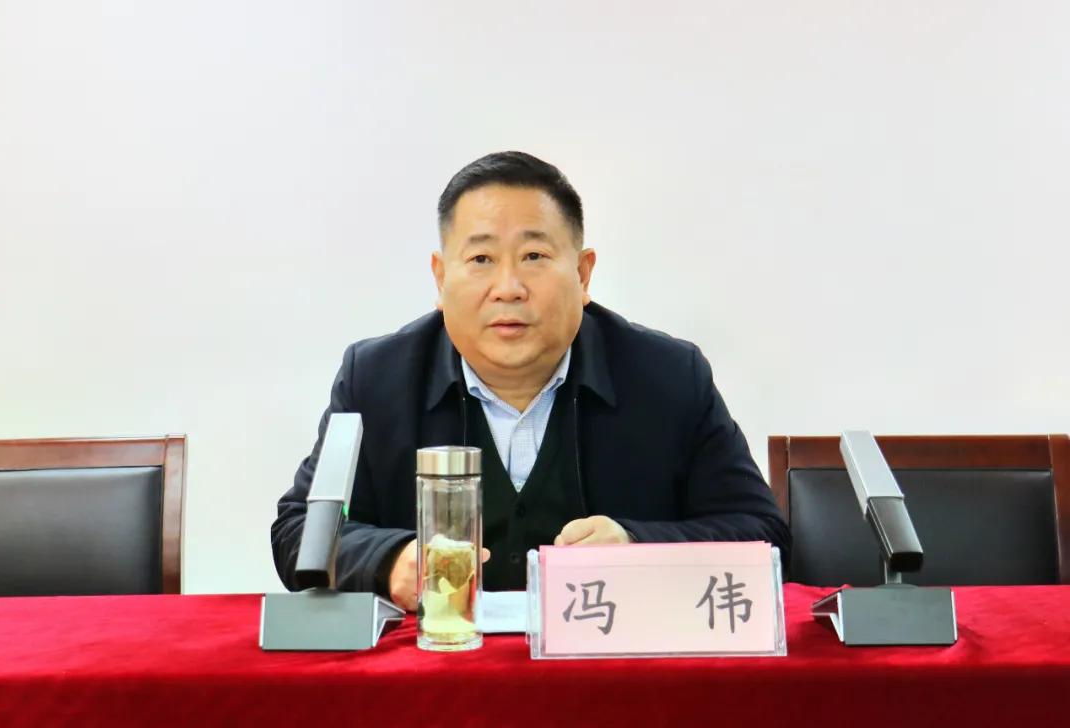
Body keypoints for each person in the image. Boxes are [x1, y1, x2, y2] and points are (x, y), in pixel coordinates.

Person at [271, 151, 790, 610]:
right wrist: (389, 561)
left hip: (610, 673)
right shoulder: (376, 378)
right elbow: (300, 533)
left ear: (583, 275)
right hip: (439, 669)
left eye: (534, 257)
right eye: (481, 259)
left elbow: (764, 536)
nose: (508, 287)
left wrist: (637, 546)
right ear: (441, 277)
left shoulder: (668, 376)